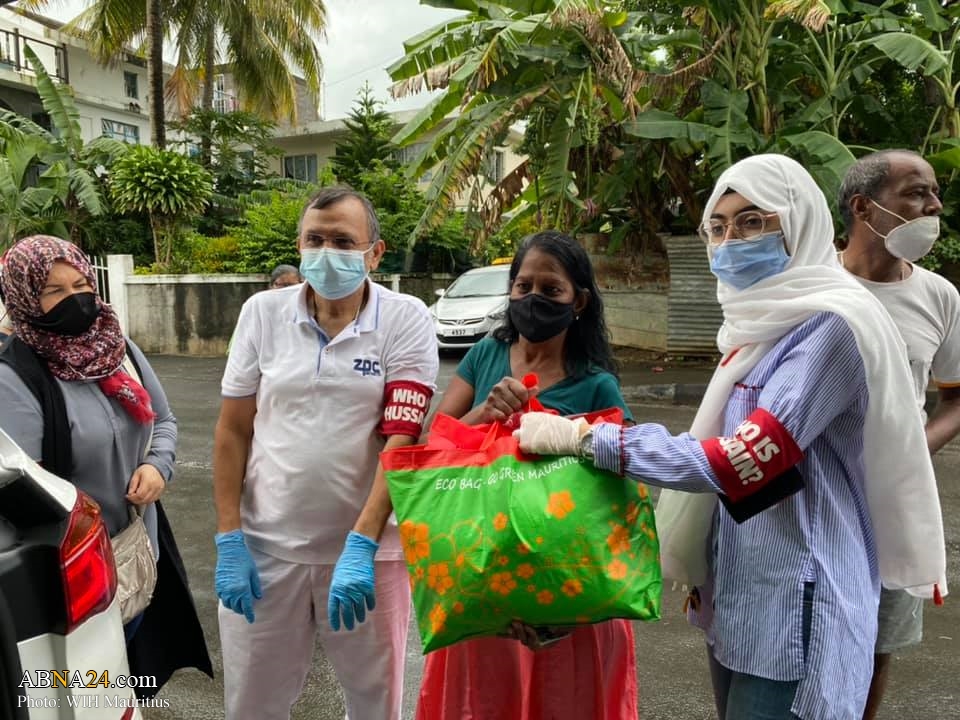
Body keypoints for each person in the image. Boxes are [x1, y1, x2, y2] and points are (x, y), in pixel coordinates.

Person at [514, 154, 948, 720]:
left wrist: (589, 439)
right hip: (741, 595)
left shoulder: (831, 328)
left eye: (751, 222)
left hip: (799, 606)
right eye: (716, 227)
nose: (729, 241)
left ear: (798, 225)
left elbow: (743, 461)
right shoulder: (760, 324)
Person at [213, 186, 439, 720]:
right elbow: (232, 431)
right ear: (299, 244)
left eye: (343, 240)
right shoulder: (262, 314)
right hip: (267, 552)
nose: (326, 251)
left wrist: (361, 546)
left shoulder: (405, 319)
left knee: (374, 703)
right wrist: (228, 537)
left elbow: (400, 439)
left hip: (371, 557)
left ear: (374, 252)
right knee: (252, 703)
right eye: (315, 239)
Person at [416, 229, 639, 720]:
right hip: (483, 591)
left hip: (564, 601)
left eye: (550, 290)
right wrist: (486, 413)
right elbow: (435, 448)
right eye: (523, 286)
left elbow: (624, 481)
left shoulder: (596, 384)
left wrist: (562, 432)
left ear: (578, 301)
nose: (533, 298)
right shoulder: (484, 356)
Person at [0, 235, 212, 696]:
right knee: (89, 689)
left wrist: (158, 467)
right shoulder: (14, 375)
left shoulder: (118, 347)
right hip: (74, 574)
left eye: (80, 284)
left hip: (139, 550)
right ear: (21, 296)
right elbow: (26, 485)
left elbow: (165, 420)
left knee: (133, 674)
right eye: (53, 291)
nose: (74, 299)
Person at [837, 149, 960, 720]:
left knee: (878, 645)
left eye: (934, 193)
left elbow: (956, 397)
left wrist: (911, 451)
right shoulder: (808, 285)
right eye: (916, 193)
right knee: (799, 640)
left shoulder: (940, 296)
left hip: (895, 505)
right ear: (864, 208)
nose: (934, 207)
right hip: (811, 494)